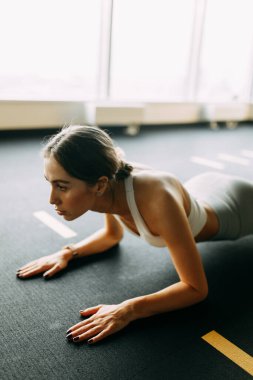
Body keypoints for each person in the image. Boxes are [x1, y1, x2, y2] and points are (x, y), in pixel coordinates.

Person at [16, 125, 253, 345]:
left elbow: (195, 288)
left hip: (240, 208)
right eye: (50, 183)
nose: (51, 199)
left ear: (99, 186)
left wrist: (129, 310)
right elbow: (111, 236)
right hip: (205, 187)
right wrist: (67, 253)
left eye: (62, 187)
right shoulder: (109, 182)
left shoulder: (157, 197)